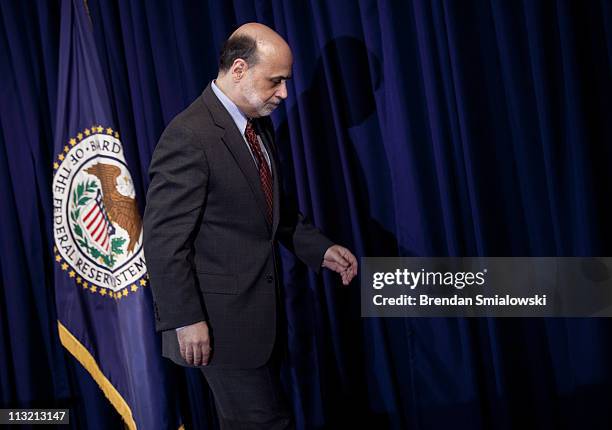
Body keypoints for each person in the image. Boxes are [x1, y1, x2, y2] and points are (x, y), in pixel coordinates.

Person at [143, 22, 358, 428]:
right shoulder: (189, 136)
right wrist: (186, 320)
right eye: (275, 81)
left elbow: (271, 209)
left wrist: (321, 249)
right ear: (238, 69)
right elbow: (161, 240)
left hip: (259, 323)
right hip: (217, 327)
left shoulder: (257, 124)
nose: (284, 94)